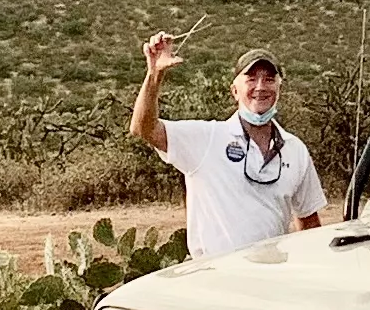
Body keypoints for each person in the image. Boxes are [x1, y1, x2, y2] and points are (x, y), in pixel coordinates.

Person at [131, 39, 325, 258]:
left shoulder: (295, 149)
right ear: (234, 90)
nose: (260, 87)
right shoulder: (208, 138)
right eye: (251, 79)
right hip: (217, 280)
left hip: (273, 279)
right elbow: (143, 128)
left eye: (269, 80)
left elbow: (308, 221)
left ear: (279, 88)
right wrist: (154, 75)